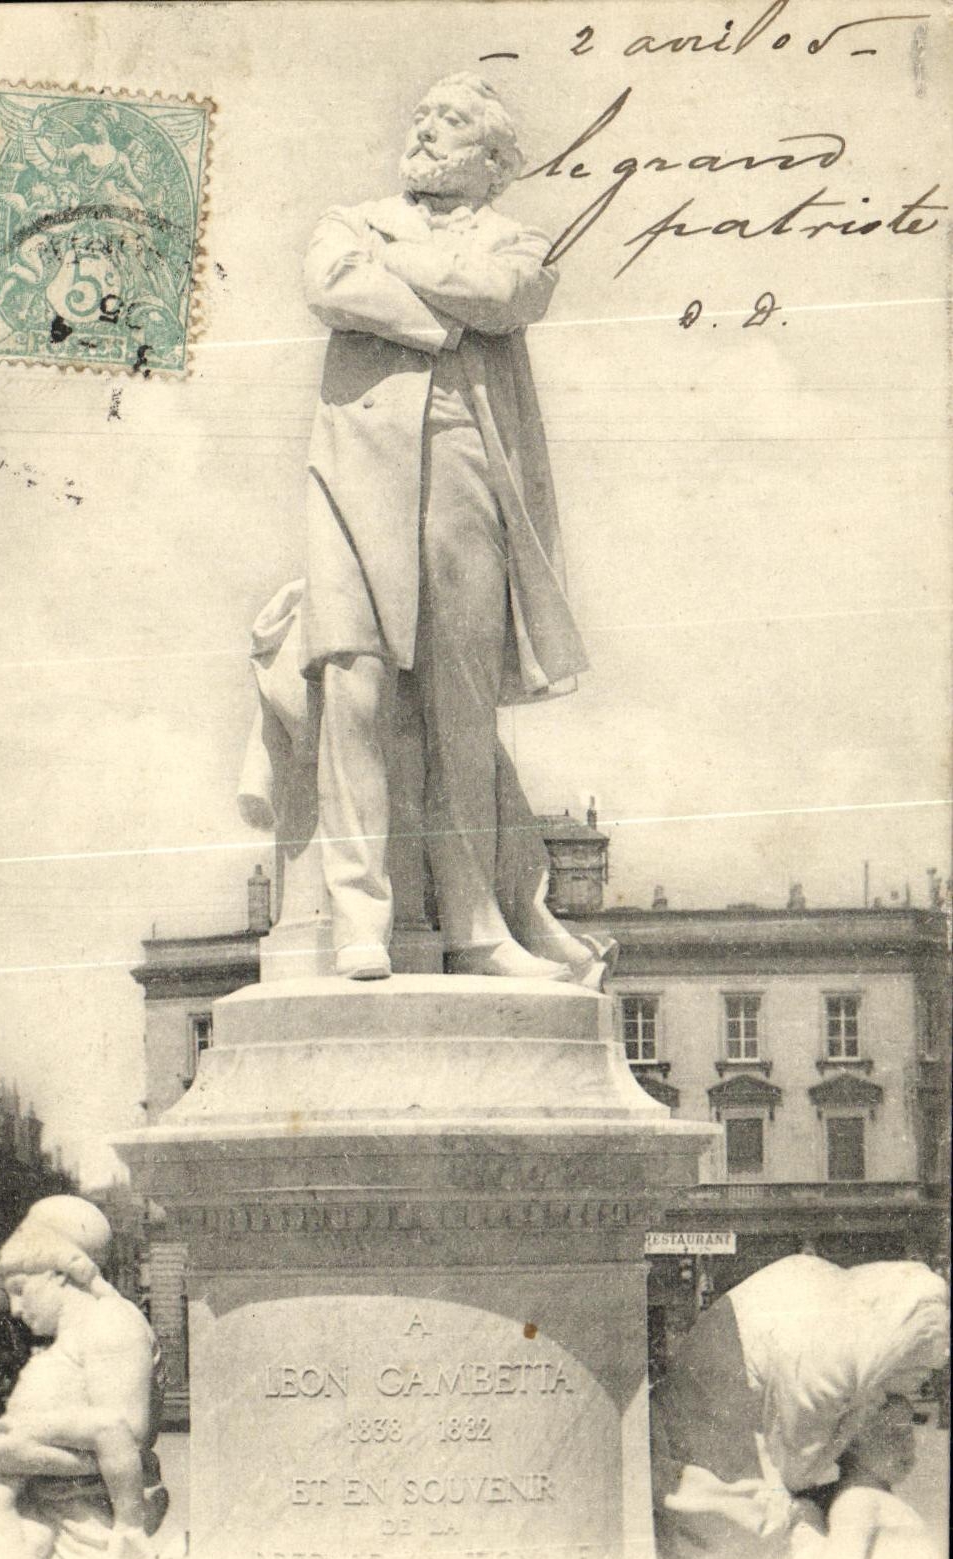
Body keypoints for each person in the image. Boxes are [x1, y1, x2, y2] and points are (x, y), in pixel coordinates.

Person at [301, 73, 599, 983]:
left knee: (460, 707)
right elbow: (330, 284)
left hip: (467, 463)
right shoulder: (350, 220)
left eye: (453, 121)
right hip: (352, 466)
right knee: (353, 683)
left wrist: (399, 269)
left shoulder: (519, 238)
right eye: (422, 115)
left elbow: (509, 293)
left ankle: (476, 924)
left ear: (495, 161)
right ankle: (359, 916)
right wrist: (445, 319)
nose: (426, 129)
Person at [650, 1253, 949, 1559]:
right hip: (719, 1413)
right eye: (920, 1368)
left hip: (730, 1391)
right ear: (893, 1349)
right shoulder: (828, 1358)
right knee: (745, 1529)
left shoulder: (845, 1332)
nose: (924, 1380)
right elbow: (795, 1463)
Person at [0, 1197, 168, 1559]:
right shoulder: (67, 1341)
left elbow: (126, 1443)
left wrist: (18, 1453)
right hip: (44, 1525)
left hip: (87, 1537)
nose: (15, 1309)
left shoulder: (111, 1322)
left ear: (59, 1274)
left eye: (20, 1289)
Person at [790, 1394, 945, 1559]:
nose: (908, 1444)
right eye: (893, 1433)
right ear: (849, 1443)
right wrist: (807, 1541)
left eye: (909, 1431)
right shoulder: (859, 1500)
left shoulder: (869, 1500)